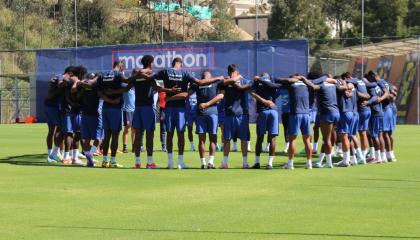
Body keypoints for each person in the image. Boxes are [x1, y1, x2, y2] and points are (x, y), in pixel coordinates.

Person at [154, 57, 223, 169]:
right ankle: (179, 162)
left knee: (171, 134)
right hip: (180, 108)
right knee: (180, 134)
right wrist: (218, 78)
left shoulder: (165, 71)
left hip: (170, 107)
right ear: (180, 64)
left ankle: (171, 162)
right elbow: (197, 84)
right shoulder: (185, 73)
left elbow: (152, 80)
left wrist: (168, 94)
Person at [302, 73, 346, 168]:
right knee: (330, 137)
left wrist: (303, 79)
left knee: (326, 139)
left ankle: (328, 163)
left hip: (326, 113)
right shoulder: (334, 85)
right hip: (336, 113)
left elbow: (312, 86)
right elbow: (343, 87)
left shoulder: (322, 85)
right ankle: (322, 160)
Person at [97, 60, 131, 168]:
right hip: (115, 109)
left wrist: (109, 99)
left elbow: (99, 92)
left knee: (107, 135)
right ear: (120, 65)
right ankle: (112, 161)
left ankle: (104, 161)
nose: (123, 69)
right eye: (123, 67)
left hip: (106, 108)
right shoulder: (118, 74)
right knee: (115, 135)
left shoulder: (103, 75)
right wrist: (136, 77)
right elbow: (127, 85)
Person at [189, 71, 225, 169]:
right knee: (211, 138)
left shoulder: (199, 84)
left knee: (203, 140)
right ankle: (208, 162)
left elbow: (221, 95)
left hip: (204, 113)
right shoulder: (215, 82)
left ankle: (205, 163)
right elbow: (221, 95)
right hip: (210, 113)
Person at [221, 64, 253, 169]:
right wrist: (235, 79)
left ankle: (245, 163)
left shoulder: (244, 80)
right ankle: (225, 163)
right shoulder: (227, 82)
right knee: (227, 139)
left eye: (232, 72)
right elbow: (223, 83)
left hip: (241, 114)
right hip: (230, 114)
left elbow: (250, 85)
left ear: (236, 72)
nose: (231, 74)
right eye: (230, 73)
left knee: (243, 139)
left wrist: (237, 80)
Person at [78, 73, 110, 167]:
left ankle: (89, 160)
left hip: (85, 114)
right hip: (96, 114)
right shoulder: (97, 86)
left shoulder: (83, 86)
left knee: (87, 139)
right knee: (99, 137)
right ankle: (90, 154)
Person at [249, 73, 280, 169]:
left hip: (263, 112)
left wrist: (263, 101)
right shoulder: (272, 83)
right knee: (272, 139)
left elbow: (251, 92)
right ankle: (270, 164)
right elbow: (277, 91)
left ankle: (257, 163)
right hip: (273, 111)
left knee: (260, 138)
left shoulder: (257, 83)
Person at [45, 68, 70, 163]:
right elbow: (60, 84)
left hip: (49, 106)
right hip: (54, 108)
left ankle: (53, 154)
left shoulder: (56, 76)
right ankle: (56, 153)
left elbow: (50, 82)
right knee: (61, 129)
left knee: (53, 130)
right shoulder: (62, 77)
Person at [365, 71, 389, 163]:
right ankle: (382, 157)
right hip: (380, 112)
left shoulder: (374, 85)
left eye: (369, 77)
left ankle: (378, 158)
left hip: (376, 112)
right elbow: (386, 92)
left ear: (372, 76)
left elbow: (377, 96)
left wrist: (370, 102)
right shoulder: (379, 84)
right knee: (379, 135)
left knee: (375, 135)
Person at [122, 86, 136, 153]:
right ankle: (125, 147)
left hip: (135, 111)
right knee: (127, 128)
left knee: (134, 129)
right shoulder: (125, 88)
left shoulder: (135, 88)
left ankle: (134, 147)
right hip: (126, 110)